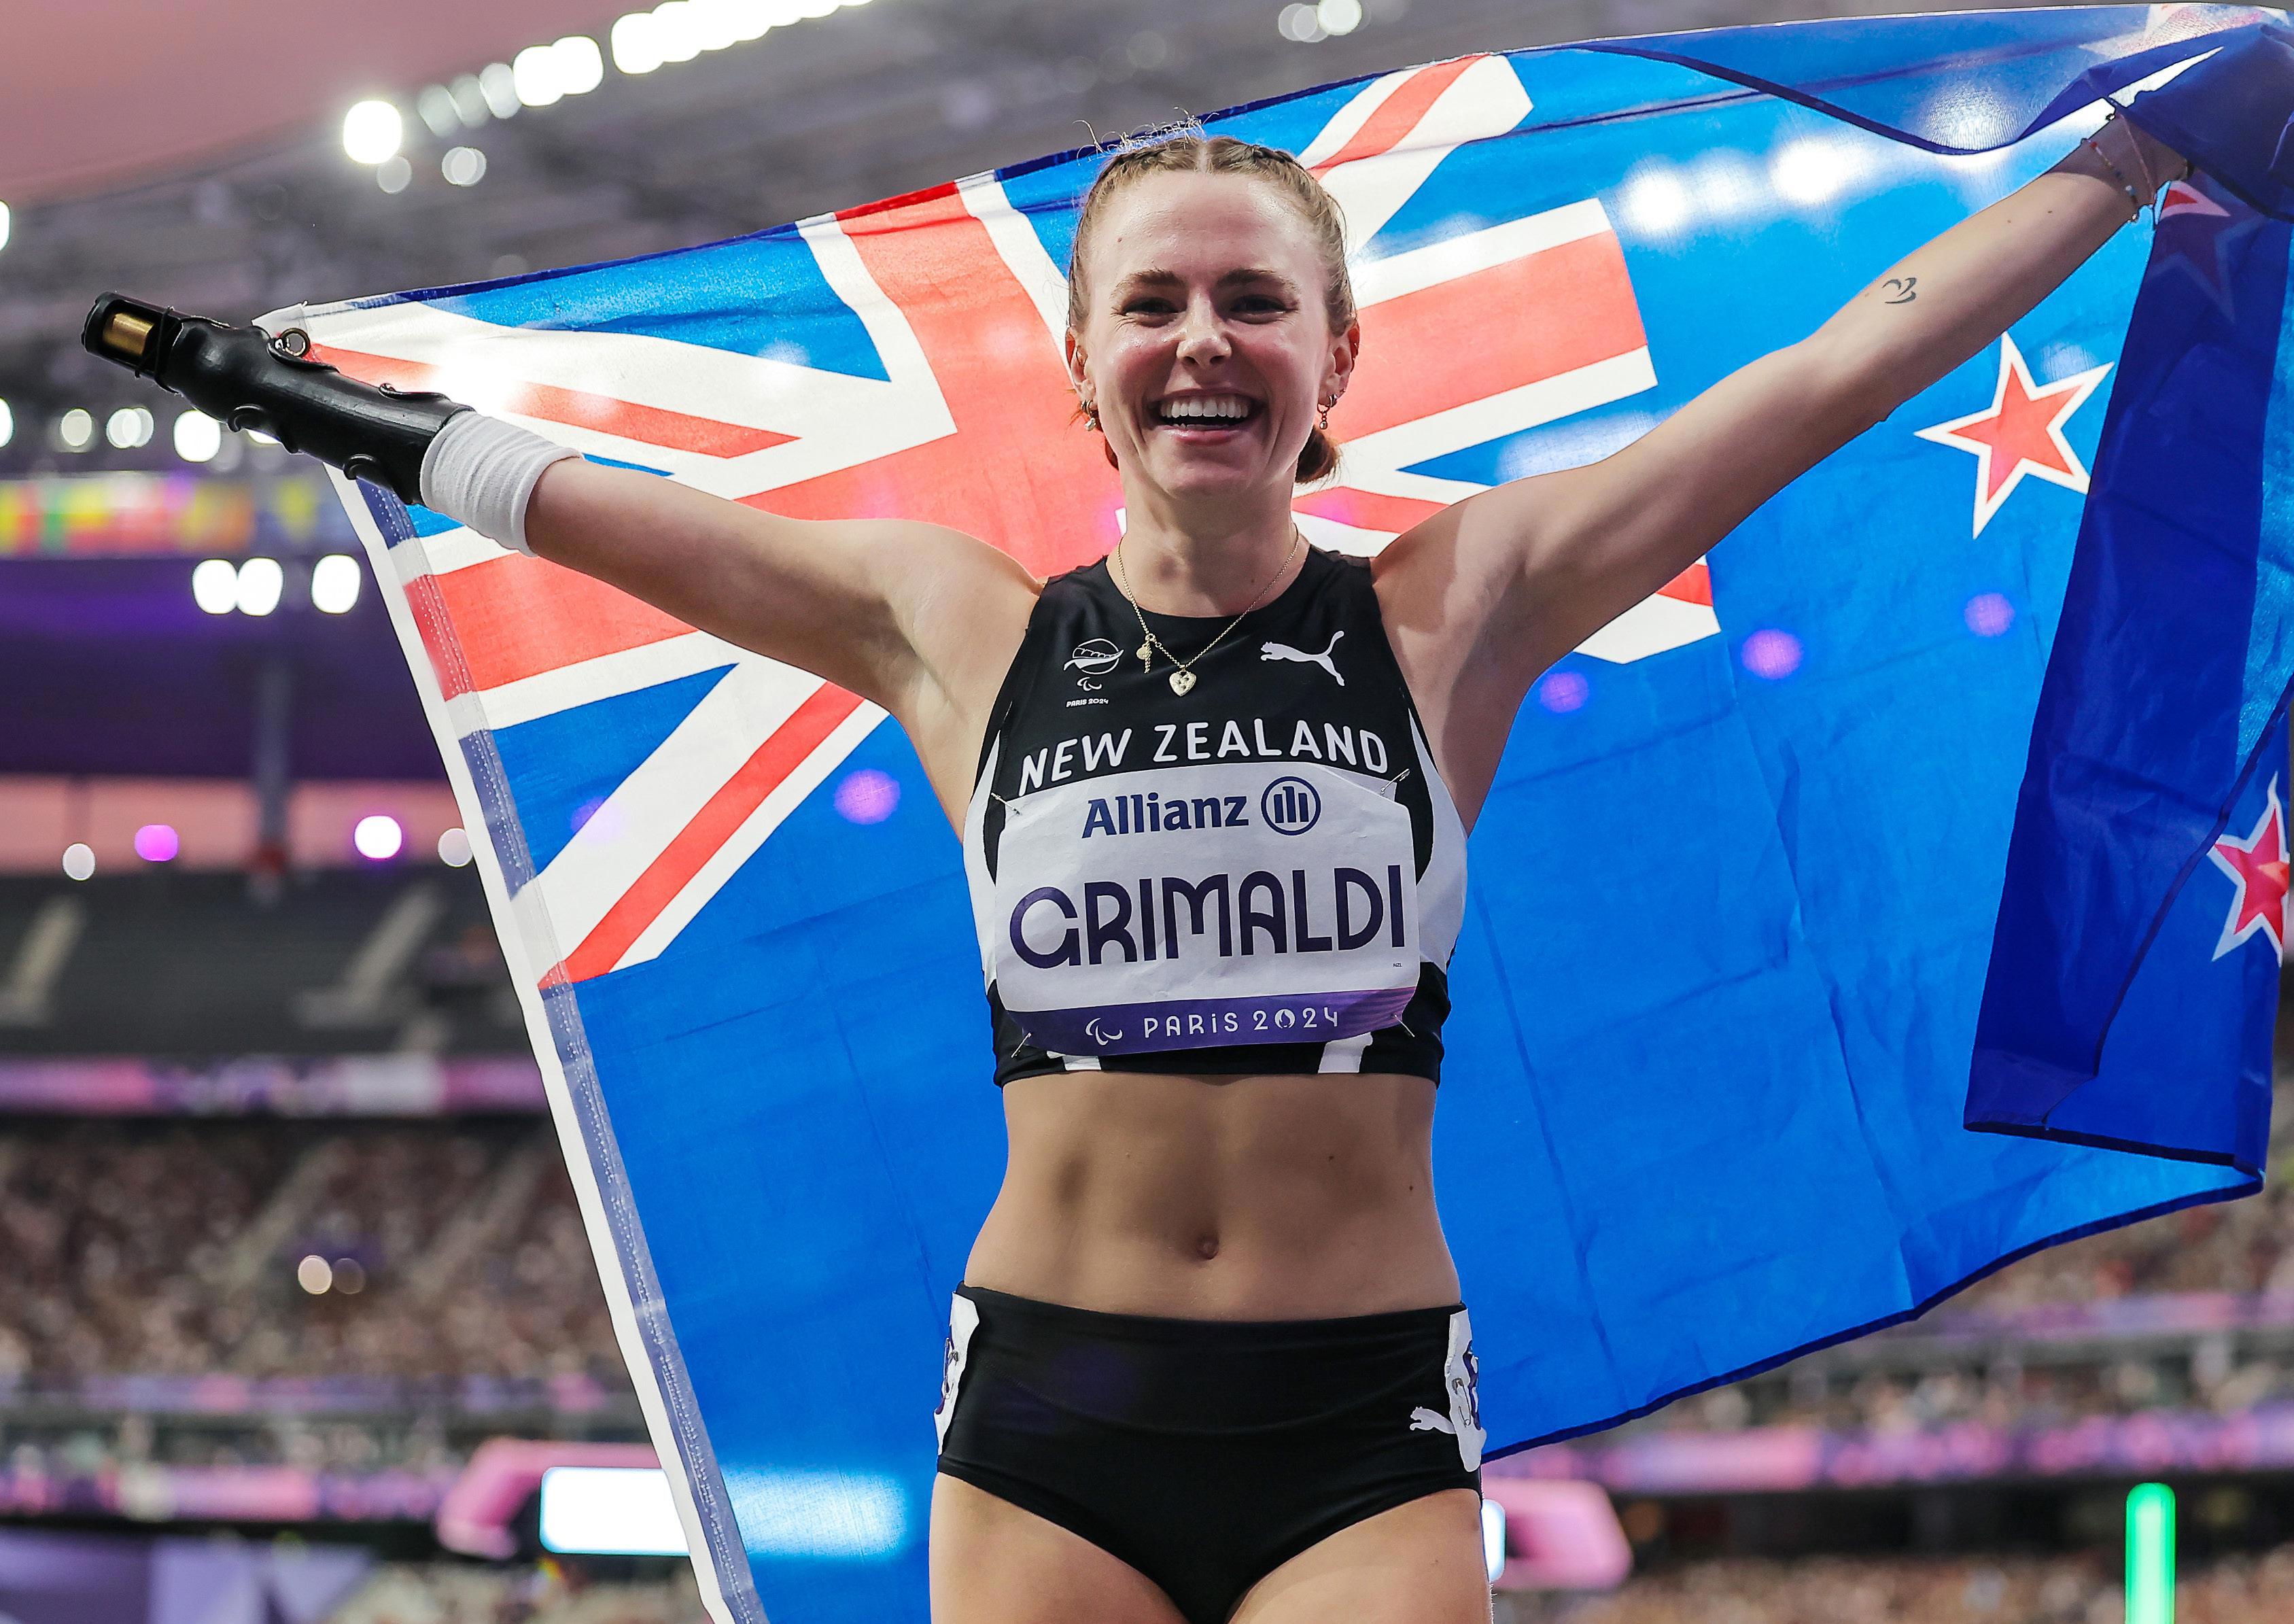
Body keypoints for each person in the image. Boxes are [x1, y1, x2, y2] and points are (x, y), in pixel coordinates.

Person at [87, 74, 2214, 1623]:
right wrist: (334, 408)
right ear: (1087, 372)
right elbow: (625, 514)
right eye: (1157, 305)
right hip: (1050, 1425)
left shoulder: (1450, 606)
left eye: (1256, 305)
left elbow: (1848, 363)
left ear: (1333, 363)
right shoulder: (952, 627)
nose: (1207, 338)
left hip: (1360, 1426)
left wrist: (2133, 154)